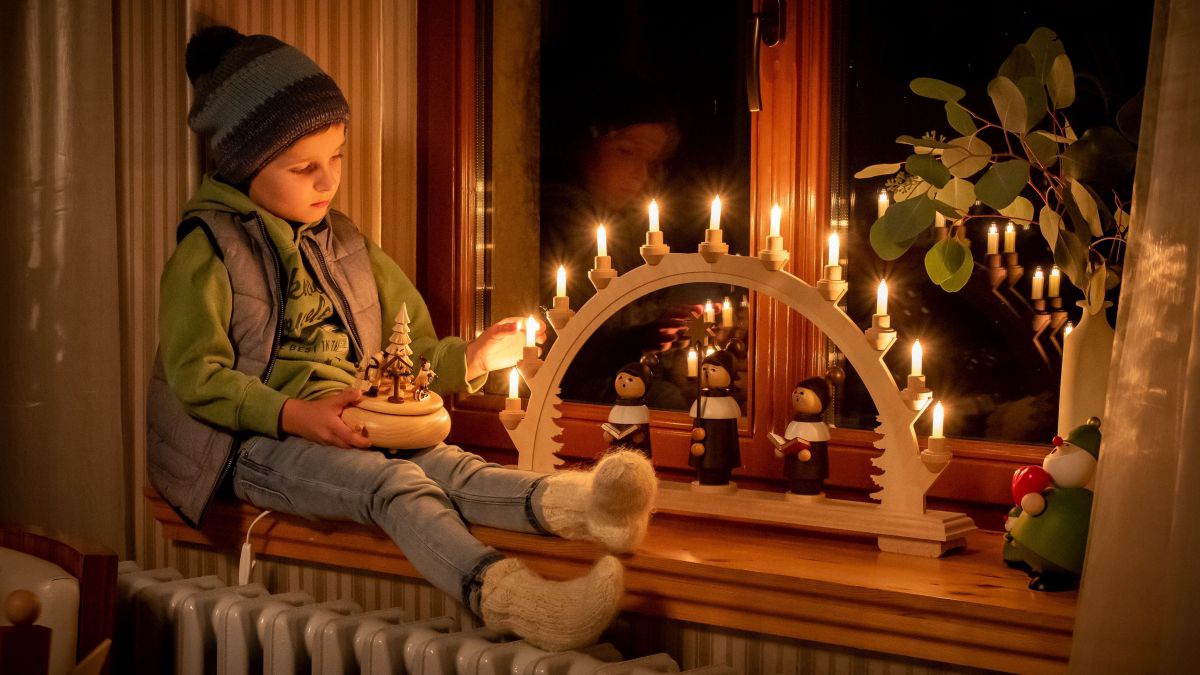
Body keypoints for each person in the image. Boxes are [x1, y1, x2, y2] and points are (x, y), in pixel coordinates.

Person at [147, 25, 657, 652]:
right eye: (304, 166)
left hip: (362, 422)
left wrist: (469, 357)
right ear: (244, 163)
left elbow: (407, 350)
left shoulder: (348, 243)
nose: (327, 179)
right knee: (397, 486)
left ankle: (586, 508)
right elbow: (194, 375)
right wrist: (296, 414)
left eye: (336, 156)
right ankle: (512, 599)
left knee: (454, 468)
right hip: (254, 445)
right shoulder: (208, 252)